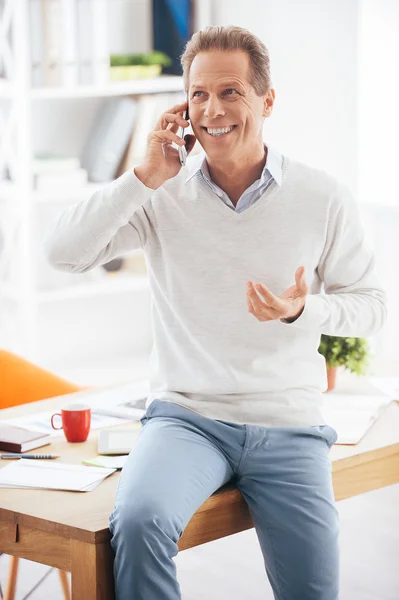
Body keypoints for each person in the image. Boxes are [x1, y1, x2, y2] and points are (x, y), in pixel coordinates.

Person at [44, 25, 387, 600]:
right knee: (139, 520)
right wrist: (144, 176)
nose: (213, 110)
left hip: (288, 423)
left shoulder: (321, 197)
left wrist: (302, 311)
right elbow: (62, 254)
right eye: (198, 94)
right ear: (183, 105)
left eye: (231, 92)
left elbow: (372, 308)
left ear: (267, 102)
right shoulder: (159, 193)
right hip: (186, 417)